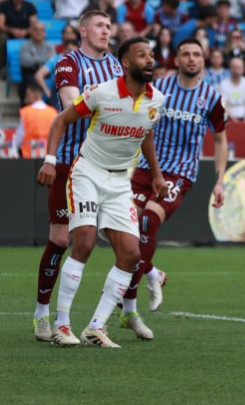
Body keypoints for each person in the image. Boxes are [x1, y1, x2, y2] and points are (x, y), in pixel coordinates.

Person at [36, 37, 165, 348]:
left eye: (151, 54)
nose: (149, 59)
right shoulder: (100, 93)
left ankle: (96, 327)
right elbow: (61, 120)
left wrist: (157, 173)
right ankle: (61, 324)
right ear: (125, 63)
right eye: (141, 55)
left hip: (121, 182)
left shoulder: (156, 100)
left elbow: (145, 132)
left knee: (132, 254)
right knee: (83, 241)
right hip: (87, 174)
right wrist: (50, 161)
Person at [31, 11, 125, 344]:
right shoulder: (67, 63)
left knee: (118, 242)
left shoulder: (116, 65)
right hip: (70, 162)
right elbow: (72, 104)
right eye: (100, 26)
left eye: (109, 26)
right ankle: (43, 314)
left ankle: (115, 315)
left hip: (103, 164)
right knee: (59, 239)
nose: (106, 31)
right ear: (83, 31)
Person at [121, 38, 227, 332]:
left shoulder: (212, 98)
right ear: (176, 60)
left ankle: (126, 295)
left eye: (197, 55)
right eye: (186, 55)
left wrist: (220, 181)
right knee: (119, 228)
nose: (191, 59)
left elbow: (220, 139)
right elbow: (142, 125)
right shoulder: (158, 89)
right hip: (146, 168)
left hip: (180, 174)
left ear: (203, 60)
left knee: (148, 223)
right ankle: (152, 273)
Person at [14, 83, 58, 158]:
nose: (25, 98)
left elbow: (19, 138)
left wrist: (14, 149)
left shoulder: (25, 112)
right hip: (49, 156)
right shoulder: (53, 112)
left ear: (36, 95)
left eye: (28, 95)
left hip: (29, 156)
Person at [219, 56, 245, 121]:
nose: (236, 70)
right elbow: (224, 105)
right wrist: (234, 121)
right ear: (230, 68)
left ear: (243, 69)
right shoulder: (223, 84)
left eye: (238, 68)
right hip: (228, 118)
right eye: (233, 67)